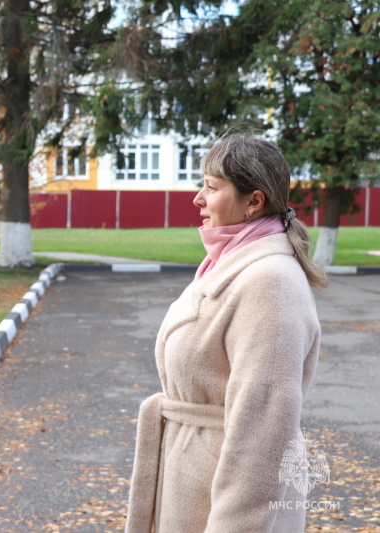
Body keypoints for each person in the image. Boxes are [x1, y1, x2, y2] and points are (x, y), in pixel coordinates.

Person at [125, 133, 326, 532]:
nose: (198, 199)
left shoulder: (271, 282)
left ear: (254, 201)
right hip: (193, 484)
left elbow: (263, 436)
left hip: (223, 503)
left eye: (212, 187)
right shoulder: (229, 263)